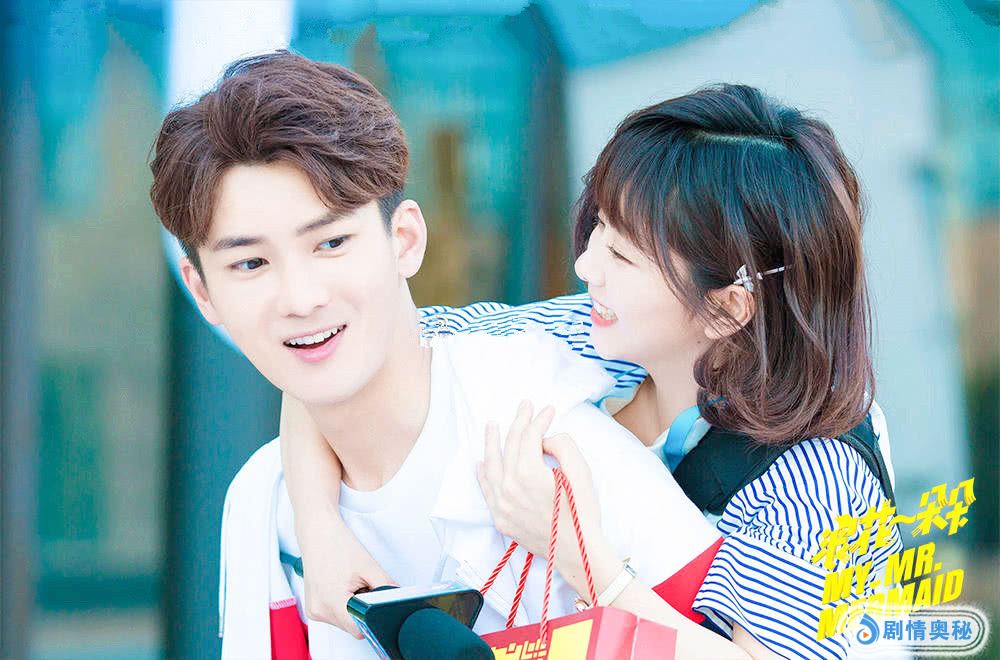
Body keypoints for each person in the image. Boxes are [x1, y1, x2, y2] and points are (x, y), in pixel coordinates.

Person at [148, 51, 740, 660]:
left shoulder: (544, 442)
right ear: (203, 293)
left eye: (331, 243)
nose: (301, 299)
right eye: (251, 263)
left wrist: (593, 570)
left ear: (404, 240)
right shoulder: (265, 501)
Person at [280, 82, 903, 659]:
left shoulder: (818, 484)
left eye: (623, 256)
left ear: (726, 307)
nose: (586, 266)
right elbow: (350, 351)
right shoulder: (589, 337)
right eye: (600, 225)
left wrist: (579, 555)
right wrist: (321, 530)